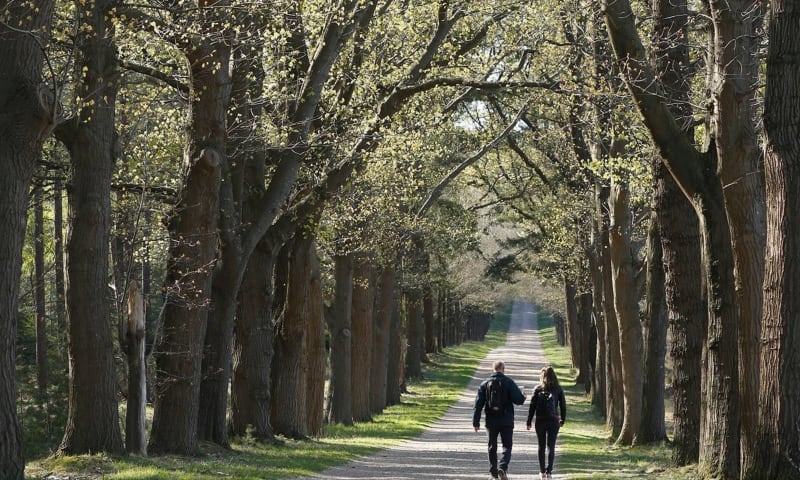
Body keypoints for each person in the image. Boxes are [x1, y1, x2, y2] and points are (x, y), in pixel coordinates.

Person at [473, 360, 526, 480]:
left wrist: (475, 422)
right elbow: (519, 400)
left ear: (493, 369)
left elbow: (478, 404)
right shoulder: (509, 382)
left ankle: (493, 473)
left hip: (491, 420)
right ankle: (502, 467)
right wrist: (523, 396)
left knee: (492, 446)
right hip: (506, 420)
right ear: (503, 369)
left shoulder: (484, 384)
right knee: (507, 445)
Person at [526, 366, 567, 479]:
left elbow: (532, 407)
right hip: (554, 420)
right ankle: (549, 472)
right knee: (551, 446)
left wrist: (529, 421)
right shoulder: (558, 389)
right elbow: (563, 406)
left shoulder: (538, 389)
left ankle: (542, 471)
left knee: (541, 446)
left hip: (540, 420)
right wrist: (563, 419)